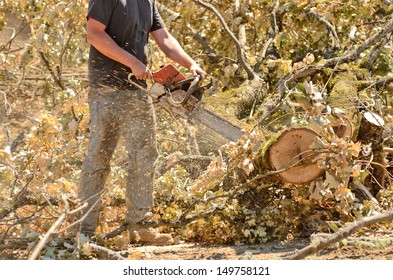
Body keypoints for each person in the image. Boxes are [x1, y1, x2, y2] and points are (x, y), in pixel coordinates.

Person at [78, 0, 206, 245]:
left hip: (136, 89)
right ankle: (83, 228)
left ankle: (140, 224)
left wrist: (191, 64)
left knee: (145, 155)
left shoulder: (148, 2)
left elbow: (164, 38)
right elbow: (94, 34)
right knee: (99, 157)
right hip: (106, 88)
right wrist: (132, 62)